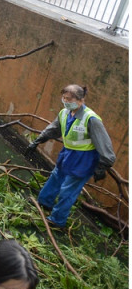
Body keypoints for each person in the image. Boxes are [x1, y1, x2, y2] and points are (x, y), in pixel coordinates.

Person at [28, 84, 115, 228]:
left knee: (68, 190)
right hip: (67, 154)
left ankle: (57, 220)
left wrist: (102, 166)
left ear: (80, 100)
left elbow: (106, 147)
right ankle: (44, 202)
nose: (65, 101)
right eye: (64, 98)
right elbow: (53, 129)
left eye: (69, 99)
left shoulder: (91, 119)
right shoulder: (65, 113)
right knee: (55, 177)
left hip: (84, 160)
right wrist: (38, 140)